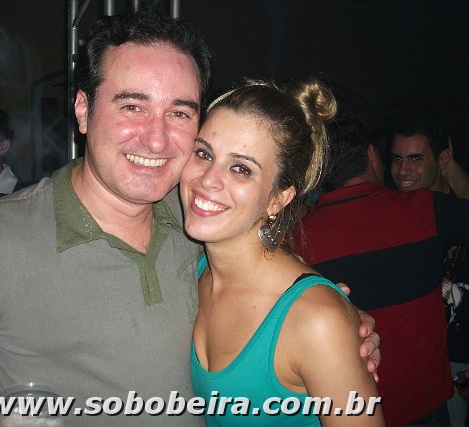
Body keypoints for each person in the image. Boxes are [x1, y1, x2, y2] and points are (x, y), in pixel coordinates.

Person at [0, 12, 379, 426]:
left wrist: (331, 330)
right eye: (132, 106)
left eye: (180, 113)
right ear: (83, 110)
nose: (156, 140)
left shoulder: (198, 220)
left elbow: (274, 291)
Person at [181, 80, 383, 426]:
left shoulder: (316, 319)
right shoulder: (191, 270)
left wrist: (337, 326)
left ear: (278, 199)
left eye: (241, 168)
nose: (208, 179)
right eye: (204, 154)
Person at [297, 114, 469, 426]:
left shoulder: (298, 239)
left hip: (351, 412)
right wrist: (450, 166)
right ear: (373, 155)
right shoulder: (423, 210)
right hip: (423, 408)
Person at [390, 116, 469, 426]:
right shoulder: (388, 212)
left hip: (459, 362)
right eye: (396, 159)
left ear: (443, 159)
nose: (402, 171)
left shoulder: (457, 207)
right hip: (414, 367)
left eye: (415, 159)